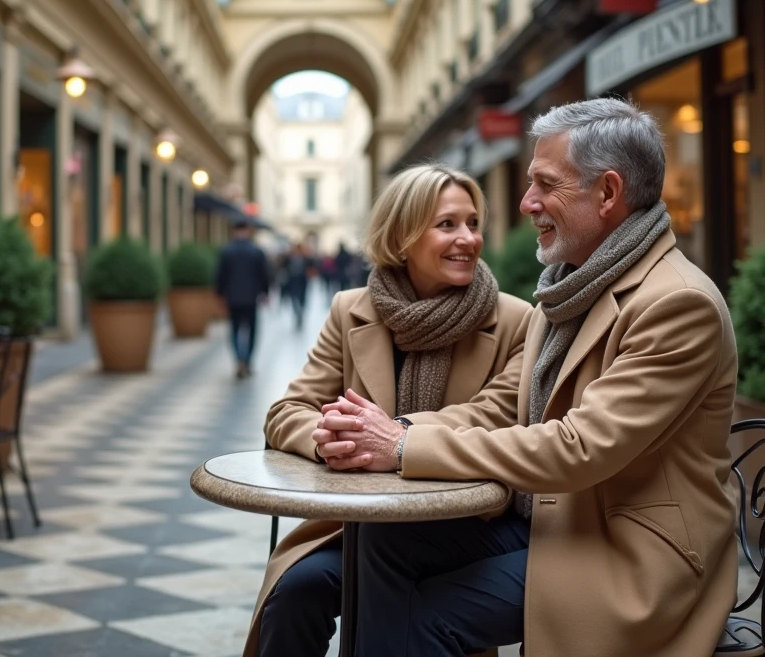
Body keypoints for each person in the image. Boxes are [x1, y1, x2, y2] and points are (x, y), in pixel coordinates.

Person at [319, 98, 739, 656]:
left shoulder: (677, 303)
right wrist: (385, 431)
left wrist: (401, 446)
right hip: (554, 518)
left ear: (608, 193)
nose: (526, 203)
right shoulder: (569, 287)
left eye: (545, 184)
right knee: (378, 539)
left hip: (628, 549)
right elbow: (502, 410)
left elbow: (578, 448)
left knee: (422, 620)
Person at [244, 165, 535, 657]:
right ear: (402, 237)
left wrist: (394, 438)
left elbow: (495, 414)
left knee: (385, 584)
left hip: (464, 525)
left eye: (472, 223)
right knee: (295, 591)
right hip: (358, 521)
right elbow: (286, 410)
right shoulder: (351, 309)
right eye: (447, 224)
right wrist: (330, 436)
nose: (468, 238)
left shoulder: (515, 320)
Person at [215, 220, 274, 379]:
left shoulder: (227, 251)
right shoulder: (256, 251)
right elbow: (265, 274)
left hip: (233, 298)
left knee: (234, 329)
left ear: (234, 231)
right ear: (248, 231)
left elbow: (220, 275)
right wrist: (266, 293)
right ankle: (247, 360)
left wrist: (220, 295)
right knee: (252, 331)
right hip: (251, 298)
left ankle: (239, 359)